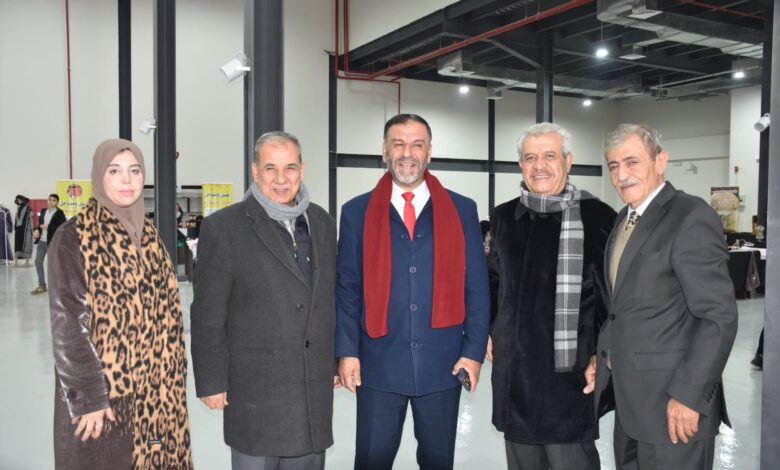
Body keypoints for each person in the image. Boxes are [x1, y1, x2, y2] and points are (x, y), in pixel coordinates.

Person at [336, 114, 490, 470]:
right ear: (384, 151)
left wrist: (473, 353)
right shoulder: (356, 212)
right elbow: (347, 289)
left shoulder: (462, 210)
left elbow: (477, 288)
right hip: (377, 364)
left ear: (429, 152)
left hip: (443, 364)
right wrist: (347, 351)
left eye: (417, 144)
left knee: (438, 462)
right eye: (399, 144)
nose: (408, 153)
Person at [584, 124, 738, 470]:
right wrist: (604, 355)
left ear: (660, 161)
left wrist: (689, 396)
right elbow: (622, 308)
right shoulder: (624, 219)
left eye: (632, 162)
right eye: (613, 166)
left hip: (674, 409)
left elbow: (717, 317)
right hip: (631, 407)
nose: (621, 175)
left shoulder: (690, 216)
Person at [191, 131, 337, 470]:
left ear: (302, 170)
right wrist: (212, 381)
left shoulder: (323, 223)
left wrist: (334, 361)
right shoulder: (224, 227)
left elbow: (330, 297)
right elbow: (208, 313)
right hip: (255, 390)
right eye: (271, 168)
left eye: (290, 168)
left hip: (311, 387)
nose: (281, 179)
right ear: (255, 171)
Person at [48, 138, 193, 469]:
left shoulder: (151, 237)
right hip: (107, 398)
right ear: (99, 176)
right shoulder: (74, 236)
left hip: (158, 393)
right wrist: (89, 397)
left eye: (134, 170)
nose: (126, 179)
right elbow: (68, 323)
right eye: (114, 171)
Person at [487, 123, 615, 470]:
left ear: (568, 161)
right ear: (520, 165)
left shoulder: (598, 217)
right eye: (530, 158)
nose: (539, 166)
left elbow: (610, 301)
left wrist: (601, 355)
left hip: (569, 378)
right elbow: (494, 280)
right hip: (515, 376)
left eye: (549, 156)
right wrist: (489, 329)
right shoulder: (504, 217)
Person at [31, 193, 66, 294]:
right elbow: (40, 224)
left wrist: (49, 227)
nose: (51, 202)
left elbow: (62, 227)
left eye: (54, 200)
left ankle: (57, 287)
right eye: (50, 199)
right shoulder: (43, 211)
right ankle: (42, 286)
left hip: (53, 243)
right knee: (38, 262)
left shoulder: (60, 213)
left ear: (57, 203)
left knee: (54, 265)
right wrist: (37, 229)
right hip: (42, 242)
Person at [13, 194, 33, 267]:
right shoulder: (18, 209)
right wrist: (15, 227)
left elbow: (31, 219)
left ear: (21, 200)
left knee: (26, 244)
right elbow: (17, 220)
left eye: (18, 200)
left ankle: (27, 262)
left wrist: (31, 229)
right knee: (17, 245)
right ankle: (15, 262)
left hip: (26, 229)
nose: (17, 201)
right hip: (19, 230)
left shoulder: (28, 209)